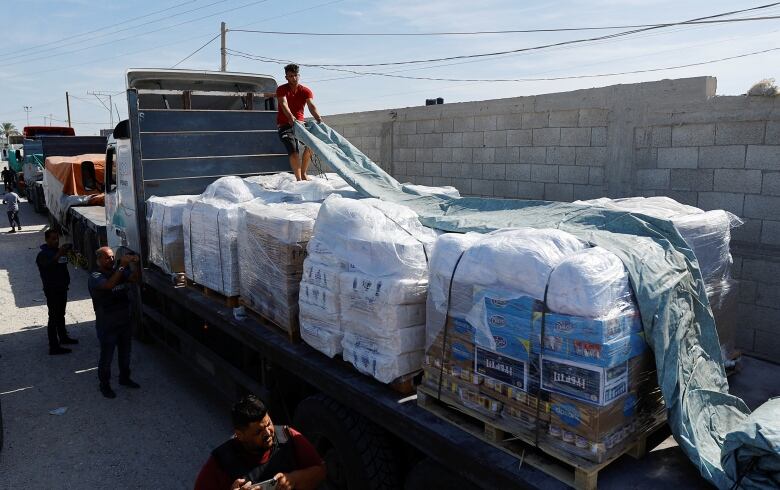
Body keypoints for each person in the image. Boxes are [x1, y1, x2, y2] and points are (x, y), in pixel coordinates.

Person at [195, 395, 326, 490]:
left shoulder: (288, 437)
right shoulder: (222, 461)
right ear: (240, 435)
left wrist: (294, 480)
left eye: (268, 424)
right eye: (258, 432)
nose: (268, 433)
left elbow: (320, 471)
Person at [88, 247, 141, 399]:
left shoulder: (119, 271)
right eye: (107, 258)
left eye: (112, 257)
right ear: (99, 260)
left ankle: (124, 378)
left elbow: (135, 278)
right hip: (107, 323)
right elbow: (109, 285)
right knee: (107, 357)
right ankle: (104, 385)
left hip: (124, 320)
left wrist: (135, 264)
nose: (111, 260)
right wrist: (122, 266)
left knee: (125, 354)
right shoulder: (95, 275)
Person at [275, 64, 322, 181]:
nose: (294, 78)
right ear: (286, 77)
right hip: (285, 125)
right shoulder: (281, 89)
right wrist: (291, 117)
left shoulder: (305, 91)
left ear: (299, 76)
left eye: (295, 75)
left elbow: (311, 106)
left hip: (300, 125)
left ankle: (304, 173)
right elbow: (284, 104)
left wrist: (319, 119)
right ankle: (298, 179)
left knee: (311, 144)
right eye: (291, 76)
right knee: (293, 150)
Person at [36, 229, 78, 355]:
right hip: (52, 290)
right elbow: (48, 266)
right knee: (53, 317)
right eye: (53, 239)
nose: (56, 241)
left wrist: (71, 253)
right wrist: (59, 253)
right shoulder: (43, 254)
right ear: (47, 240)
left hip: (62, 288)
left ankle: (63, 337)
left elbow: (72, 264)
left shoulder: (59, 252)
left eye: (57, 238)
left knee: (61, 314)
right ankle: (53, 346)